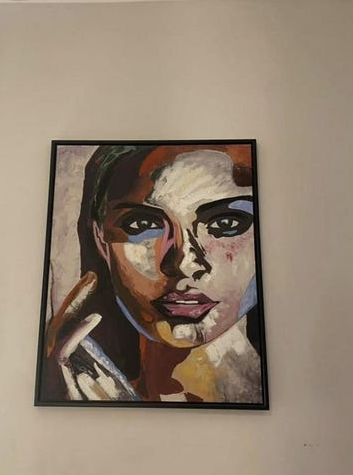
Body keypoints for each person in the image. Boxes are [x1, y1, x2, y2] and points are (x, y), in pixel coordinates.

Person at [41, 143, 264, 404]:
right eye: (144, 224)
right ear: (101, 239)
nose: (184, 264)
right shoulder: (71, 377)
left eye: (226, 223)